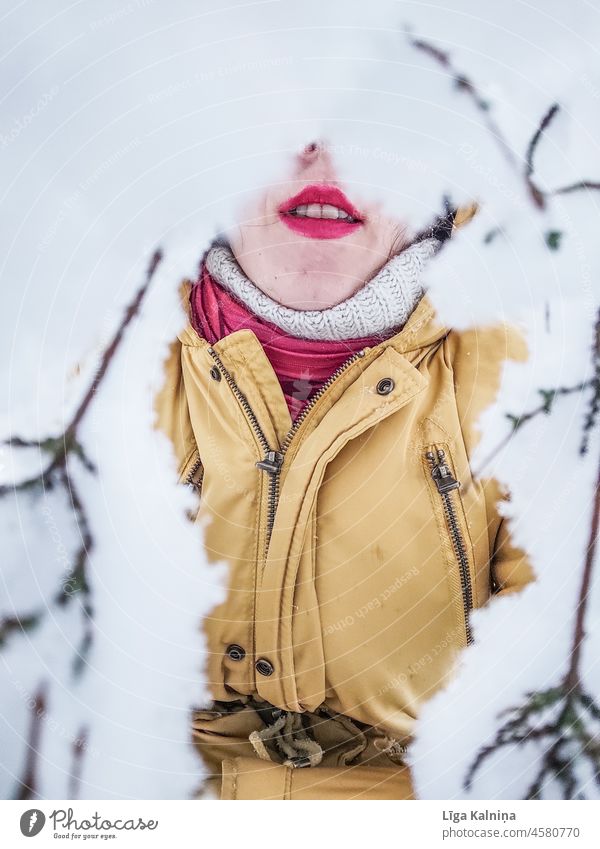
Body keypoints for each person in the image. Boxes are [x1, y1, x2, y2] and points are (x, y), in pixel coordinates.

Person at [154, 139, 536, 800]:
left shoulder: (536, 364)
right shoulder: (88, 352)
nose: (324, 156)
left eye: (370, 121)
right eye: (290, 110)